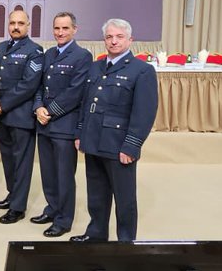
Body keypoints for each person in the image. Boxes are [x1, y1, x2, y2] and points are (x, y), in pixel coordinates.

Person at [72, 19, 158, 242]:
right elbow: (85, 103)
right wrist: (81, 133)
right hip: (93, 141)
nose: (114, 41)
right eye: (109, 37)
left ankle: (125, 241)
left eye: (119, 37)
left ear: (130, 40)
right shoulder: (96, 67)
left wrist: (131, 145)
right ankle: (96, 235)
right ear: (104, 40)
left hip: (119, 144)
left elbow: (144, 114)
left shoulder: (142, 70)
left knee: (124, 199)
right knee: (96, 195)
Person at [31, 12, 92, 238]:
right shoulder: (48, 54)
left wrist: (50, 111)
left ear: (75, 30)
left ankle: (64, 219)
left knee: (64, 175)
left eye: (65, 28)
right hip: (44, 124)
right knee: (48, 173)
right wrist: (38, 108)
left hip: (64, 126)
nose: (60, 33)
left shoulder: (82, 56)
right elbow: (38, 86)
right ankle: (52, 209)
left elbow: (75, 92)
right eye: (57, 28)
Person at [0, 9, 44, 224]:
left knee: (21, 163)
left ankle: (18, 207)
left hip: (21, 117)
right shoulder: (0, 48)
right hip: (2, 115)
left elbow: (29, 85)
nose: (16, 26)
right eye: (12, 22)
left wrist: (3, 103)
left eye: (20, 23)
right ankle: (12, 195)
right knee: (8, 160)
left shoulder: (35, 50)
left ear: (28, 25)